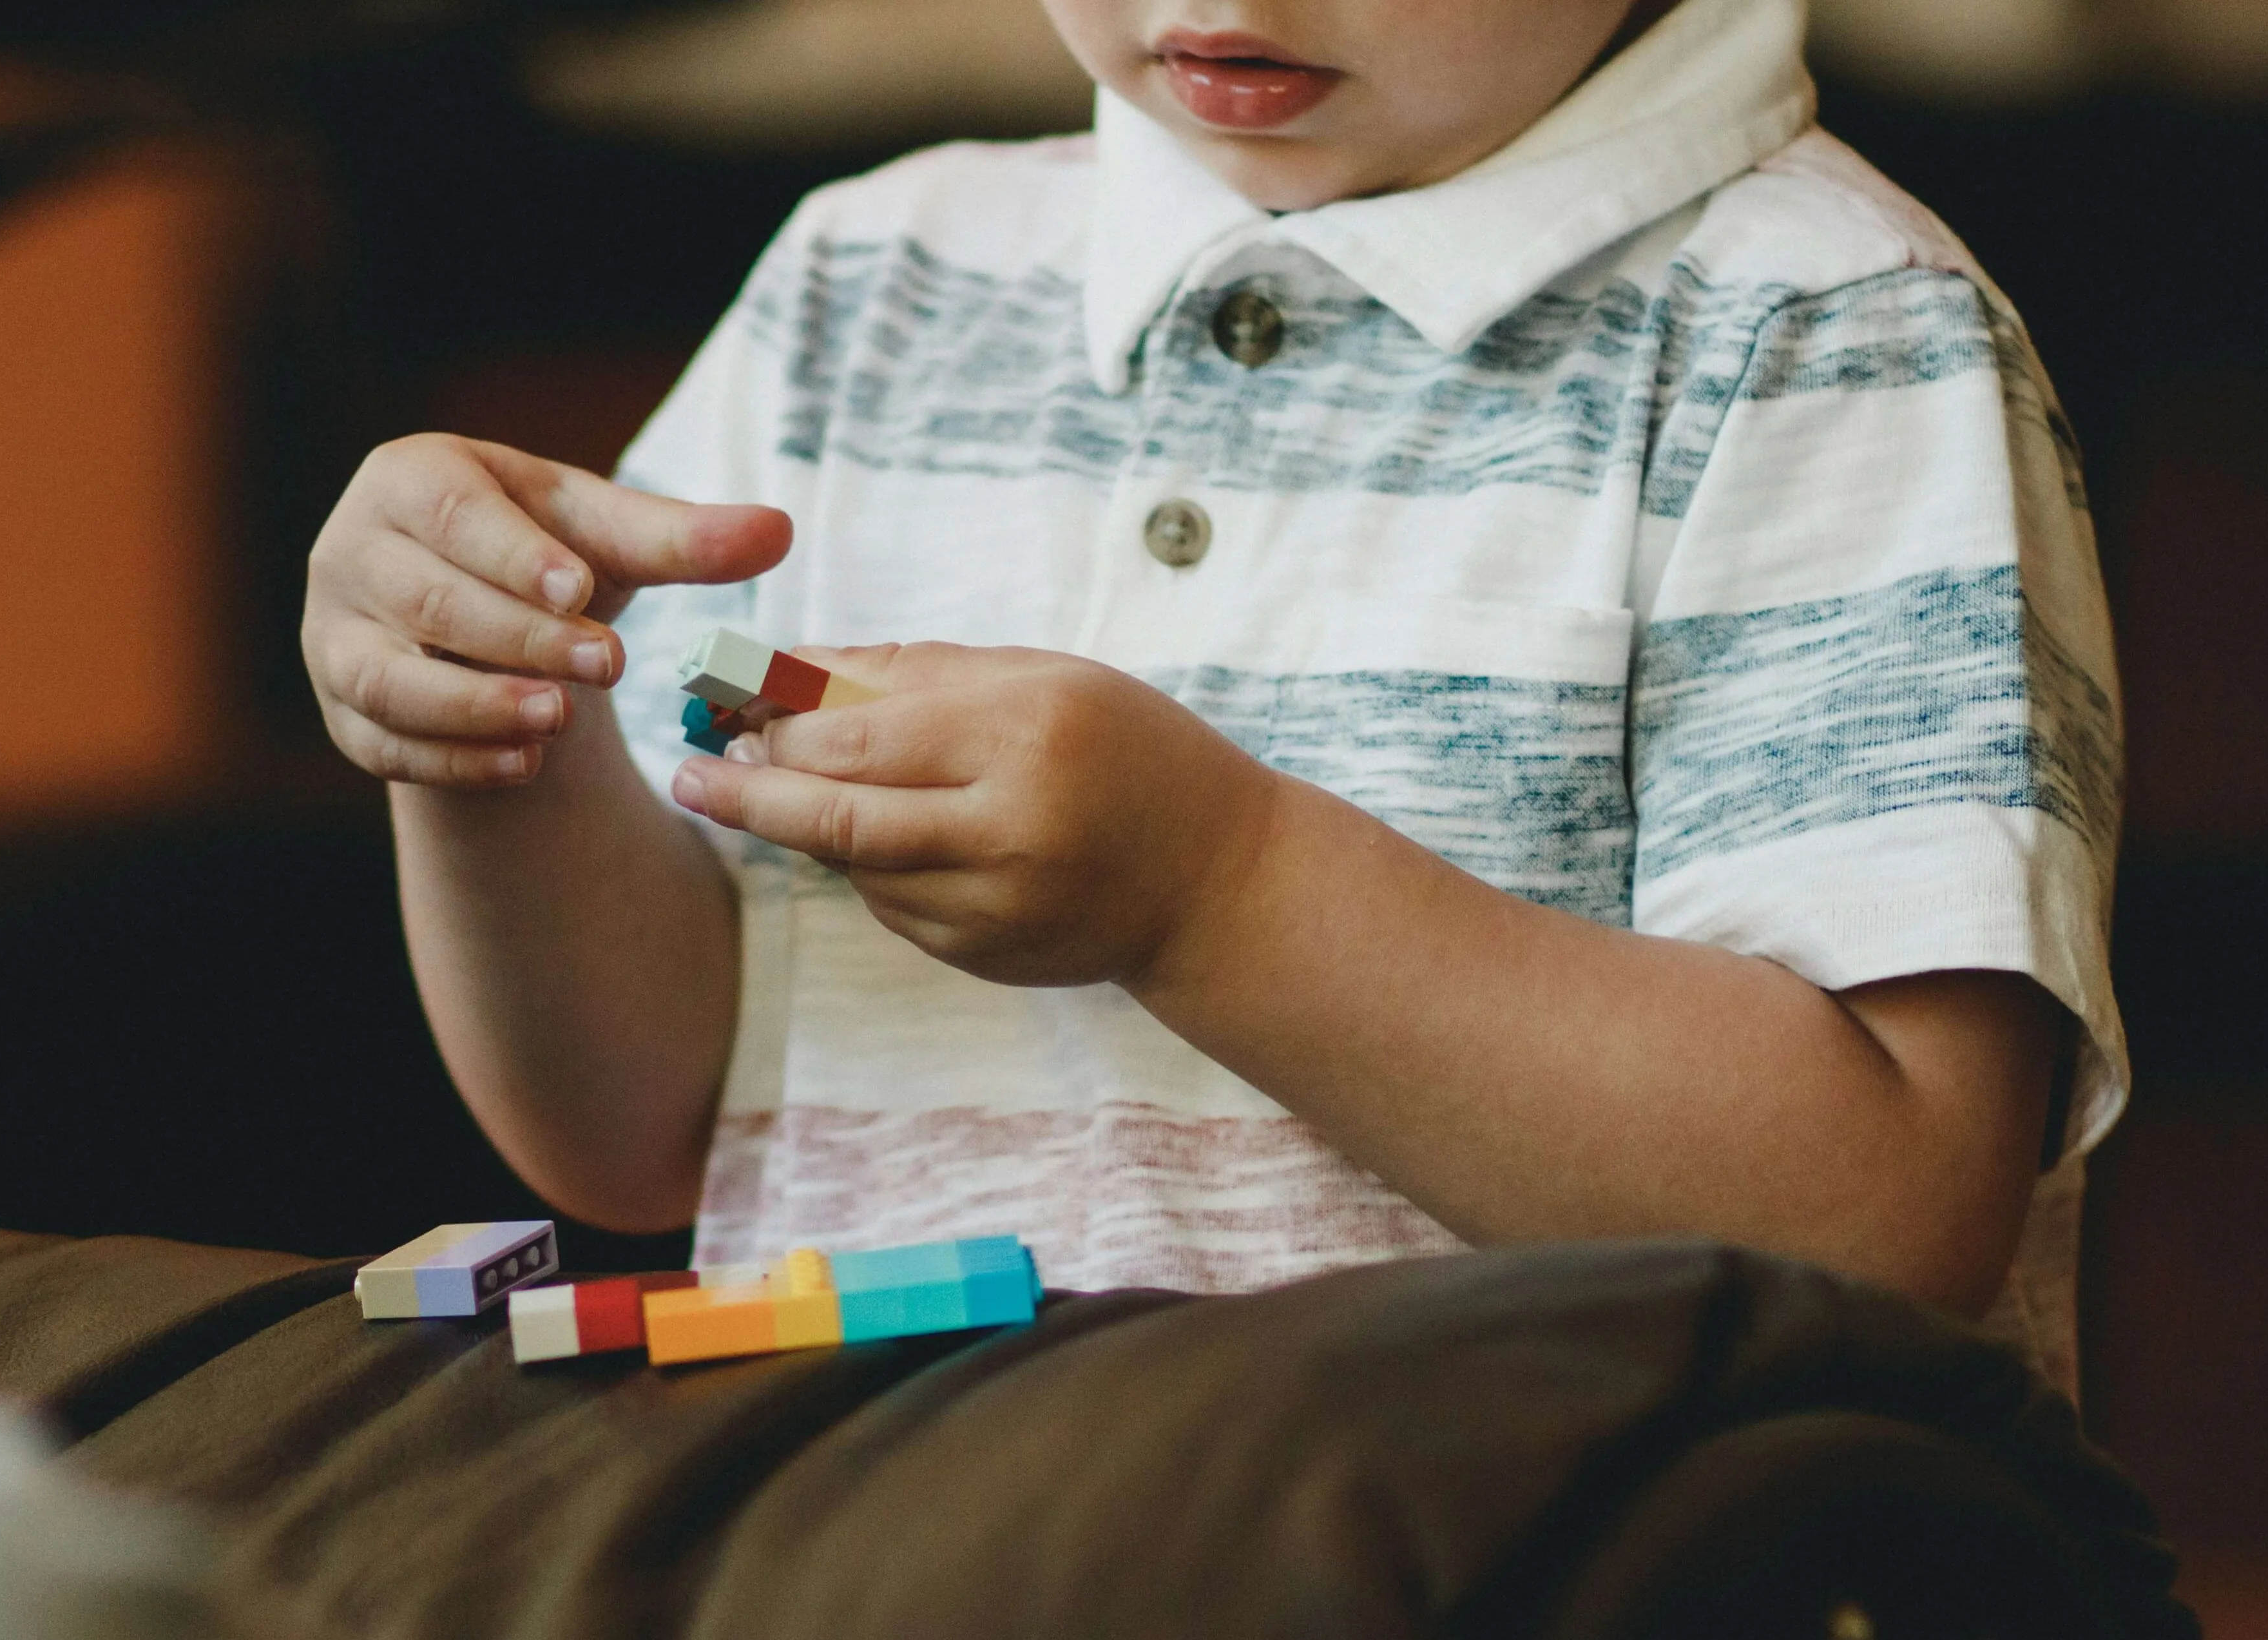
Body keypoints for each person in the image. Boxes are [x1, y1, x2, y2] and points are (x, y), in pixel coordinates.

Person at [298, 0, 2125, 1389]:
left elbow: (1885, 1224)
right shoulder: (870, 285)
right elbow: (638, 1124)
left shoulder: (1822, 332)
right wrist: (491, 738)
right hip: (880, 1542)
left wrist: (1219, 890)